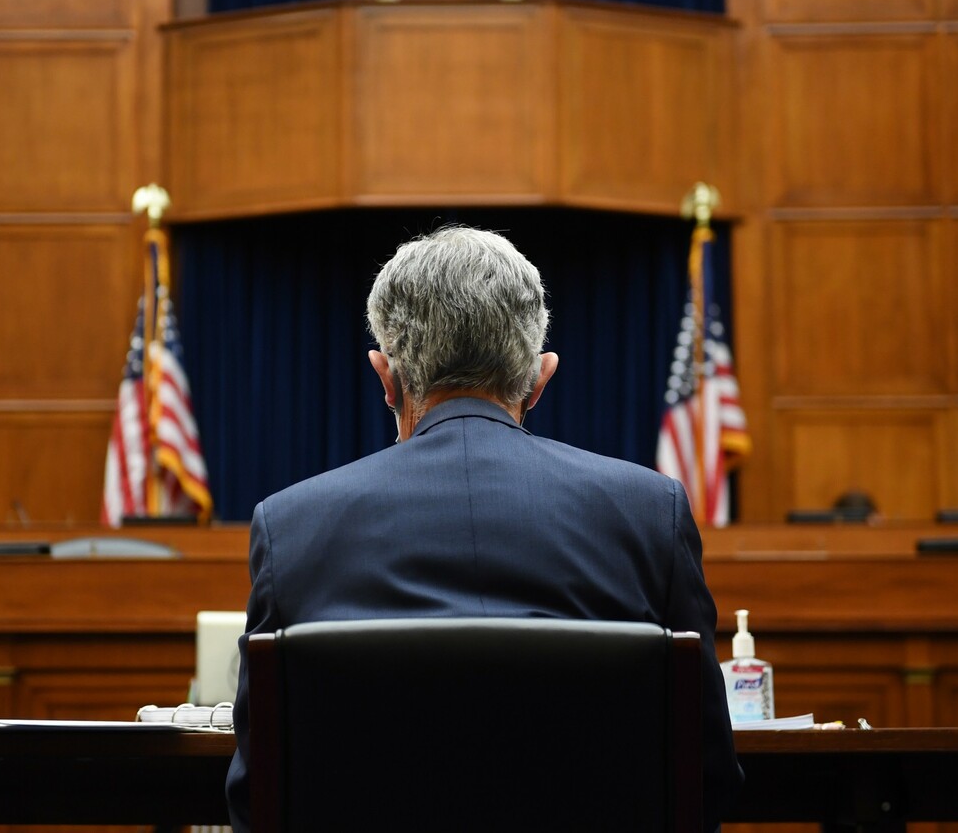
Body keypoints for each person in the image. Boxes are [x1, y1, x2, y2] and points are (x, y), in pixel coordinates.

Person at [225, 225, 743, 831]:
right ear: (539, 380)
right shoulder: (652, 513)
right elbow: (706, 776)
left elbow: (258, 797)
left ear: (386, 379)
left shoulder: (290, 525)